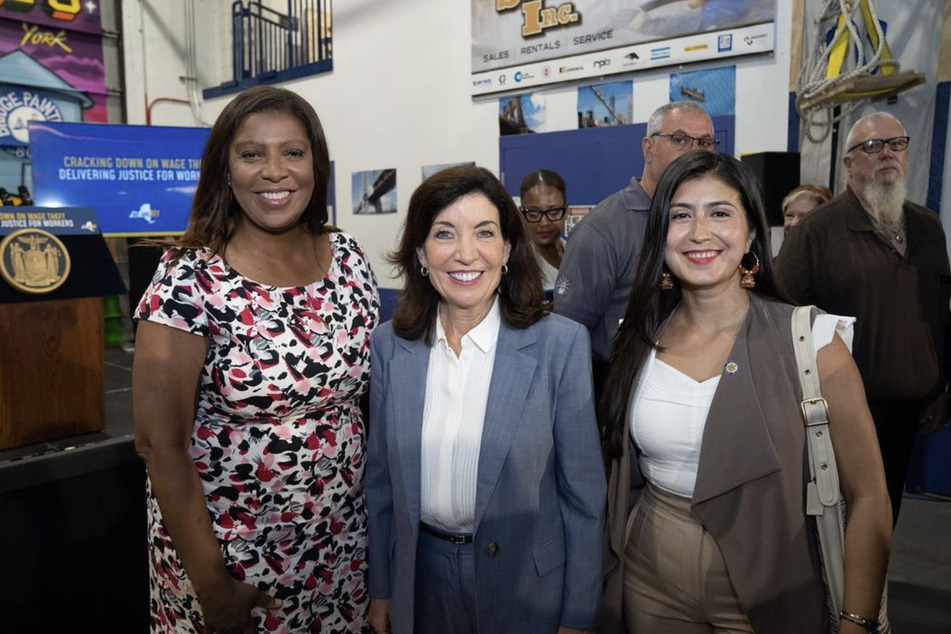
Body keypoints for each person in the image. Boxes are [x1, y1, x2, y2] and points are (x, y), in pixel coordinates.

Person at [600, 151, 891, 633]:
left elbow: (870, 496)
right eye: (680, 215)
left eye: (720, 213)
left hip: (776, 577)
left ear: (752, 232)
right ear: (660, 234)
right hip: (651, 570)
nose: (699, 233)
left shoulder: (813, 342)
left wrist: (855, 621)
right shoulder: (635, 338)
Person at [133, 85, 380, 633]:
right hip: (231, 558)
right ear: (225, 170)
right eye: (251, 154)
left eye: (293, 152)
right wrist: (213, 586)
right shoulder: (189, 277)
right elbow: (159, 443)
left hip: (341, 546)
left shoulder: (348, 258)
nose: (275, 171)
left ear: (316, 165)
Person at [365, 165, 605, 634]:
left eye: (484, 233)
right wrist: (382, 587)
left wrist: (578, 614)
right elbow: (380, 487)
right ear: (420, 252)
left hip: (528, 585)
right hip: (423, 576)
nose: (466, 254)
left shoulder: (560, 346)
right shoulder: (390, 346)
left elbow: (585, 498)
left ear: (508, 249)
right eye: (444, 234)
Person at [777, 111, 951, 525]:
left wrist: (941, 387)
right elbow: (780, 319)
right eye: (872, 146)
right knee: (837, 521)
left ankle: (873, 589)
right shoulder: (816, 232)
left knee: (885, 512)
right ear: (849, 163)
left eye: (897, 144)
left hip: (909, 411)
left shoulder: (928, 227)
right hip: (840, 412)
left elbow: (939, 314)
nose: (886, 153)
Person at [554, 101, 716, 371]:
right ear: (648, 148)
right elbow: (566, 336)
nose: (694, 152)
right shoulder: (603, 230)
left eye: (705, 142)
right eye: (680, 139)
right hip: (617, 389)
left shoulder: (712, 226)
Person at [518, 169, 568, 304]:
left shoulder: (577, 255)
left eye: (553, 212)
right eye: (534, 213)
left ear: (567, 211)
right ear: (521, 214)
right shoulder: (516, 265)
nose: (544, 222)